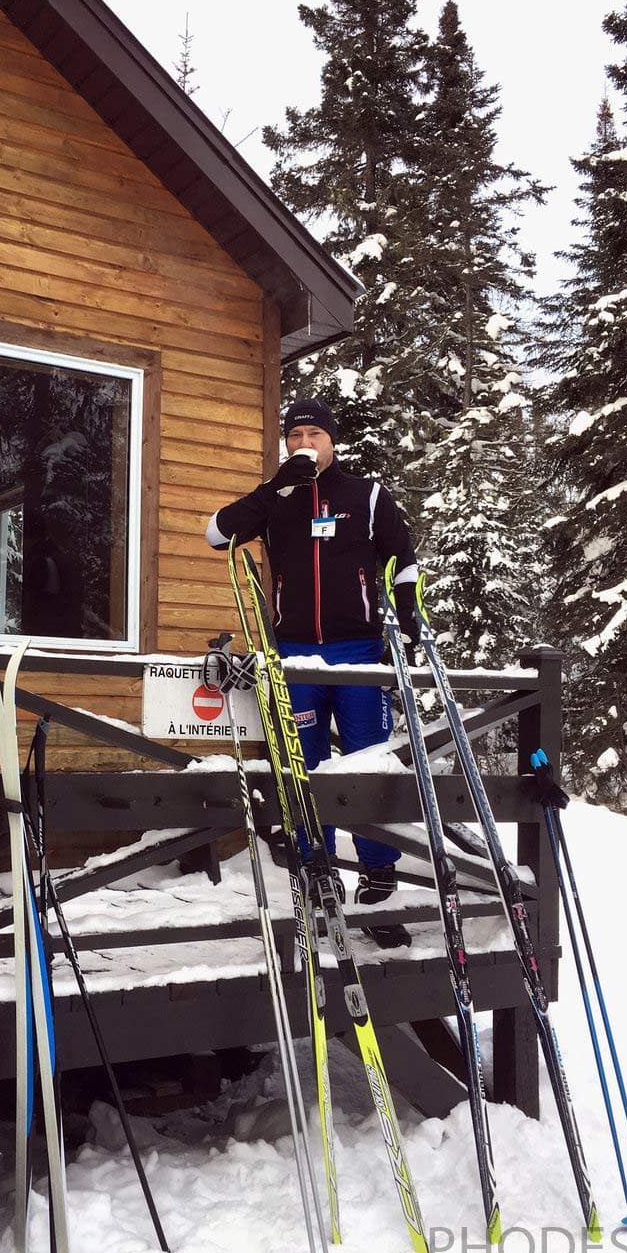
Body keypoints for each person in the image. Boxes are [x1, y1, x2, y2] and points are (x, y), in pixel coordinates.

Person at [205, 396, 420, 948]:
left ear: (332, 441)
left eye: (314, 435)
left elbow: (403, 555)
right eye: (295, 435)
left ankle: (380, 881)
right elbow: (215, 533)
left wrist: (410, 613)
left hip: (358, 652)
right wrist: (277, 488)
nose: (304, 443)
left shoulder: (366, 495)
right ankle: (315, 869)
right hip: (296, 653)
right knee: (305, 763)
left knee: (367, 762)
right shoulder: (277, 500)